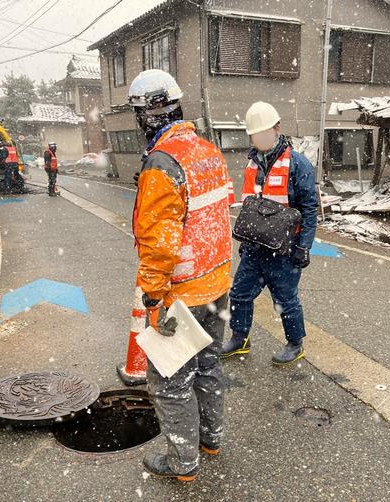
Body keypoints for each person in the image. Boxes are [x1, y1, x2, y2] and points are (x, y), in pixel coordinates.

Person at [129, 69, 232, 482]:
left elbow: (161, 243)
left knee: (169, 382)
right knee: (207, 367)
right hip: (217, 286)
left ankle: (183, 464)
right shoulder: (207, 150)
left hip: (181, 293)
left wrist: (152, 296)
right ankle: (211, 439)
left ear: (144, 115)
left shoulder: (162, 163)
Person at [221, 102, 318, 366]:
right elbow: (250, 204)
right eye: (255, 134)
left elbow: (310, 209)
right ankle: (239, 339)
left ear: (277, 129)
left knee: (285, 300)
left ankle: (295, 344)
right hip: (255, 247)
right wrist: (246, 242)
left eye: (265, 132)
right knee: (240, 293)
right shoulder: (252, 164)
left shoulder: (298, 165)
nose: (260, 138)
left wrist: (304, 246)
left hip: (285, 249)